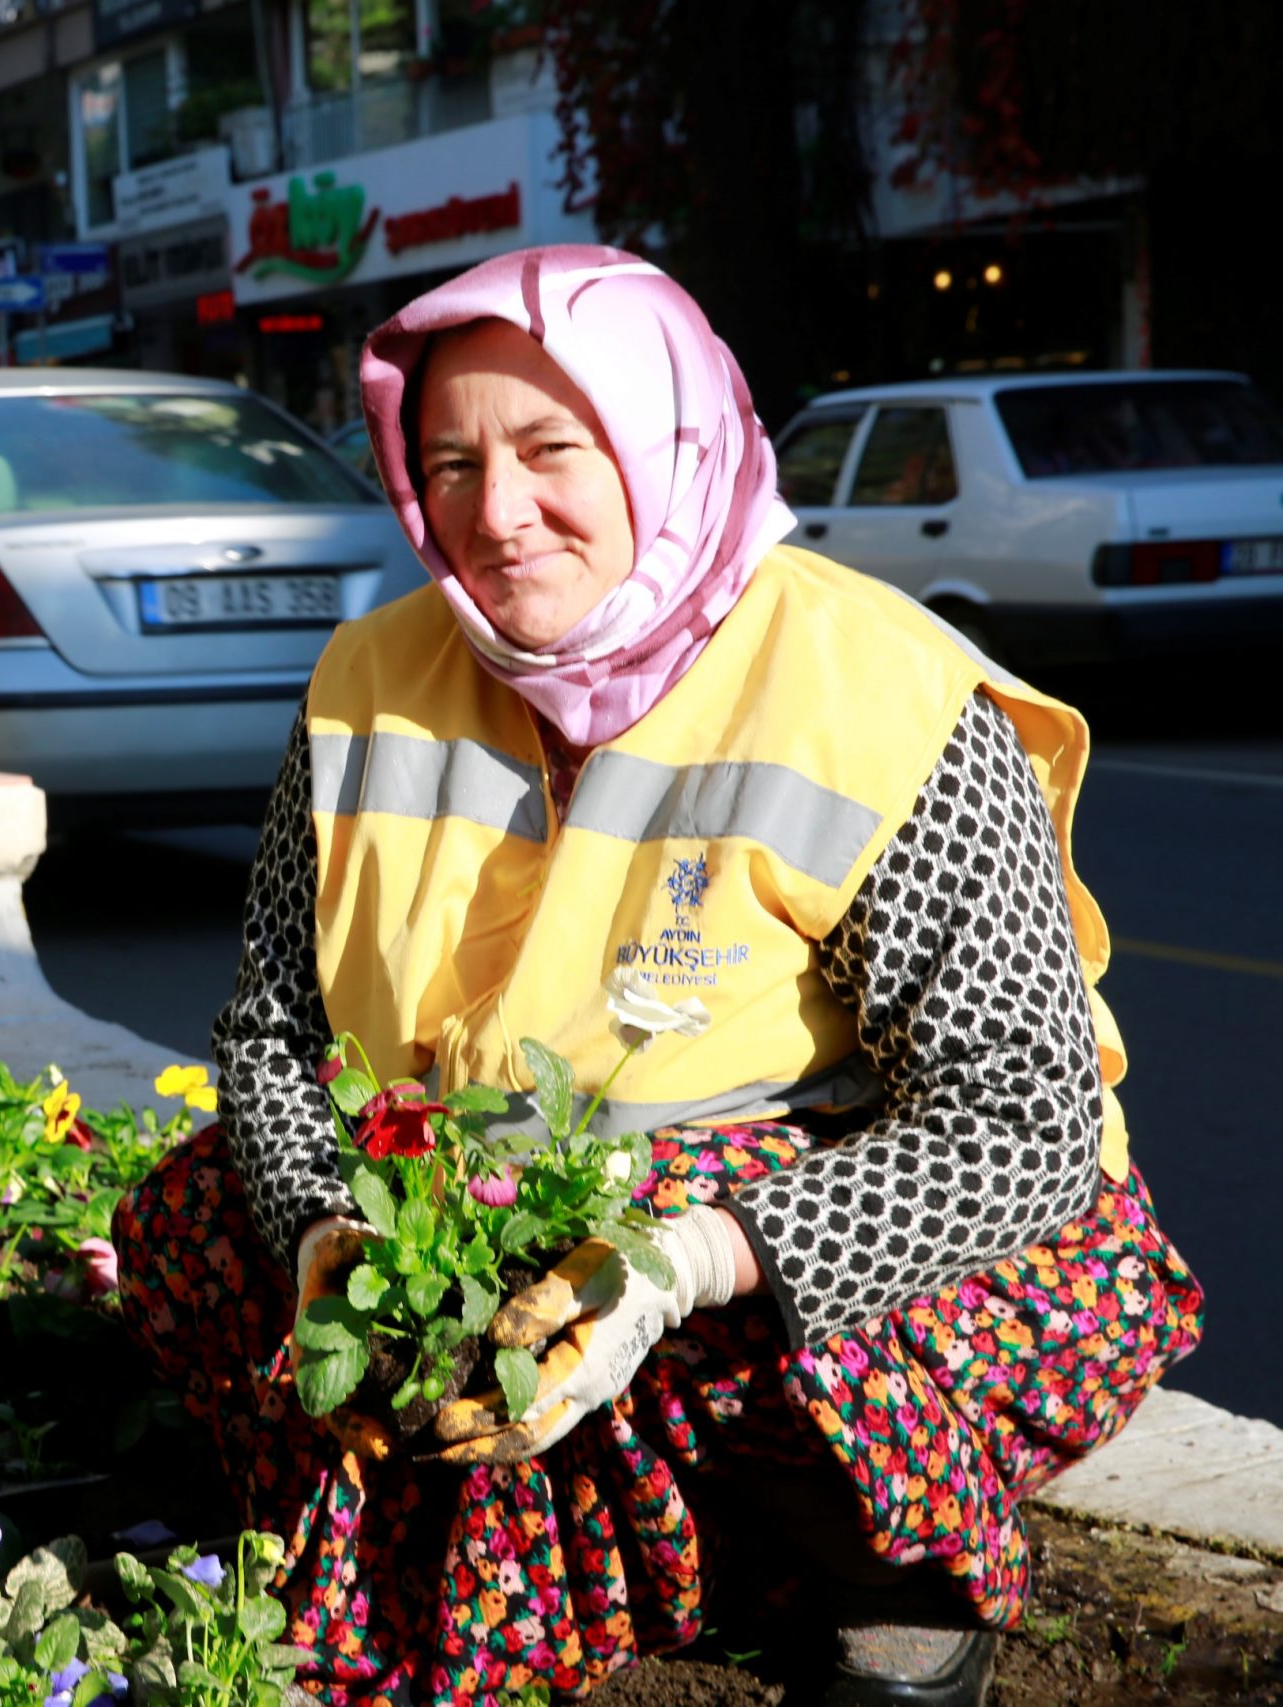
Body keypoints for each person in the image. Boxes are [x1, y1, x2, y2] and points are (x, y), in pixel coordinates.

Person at [113, 248, 1201, 1706]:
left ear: (666, 443)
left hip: (843, 1228)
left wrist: (682, 1261)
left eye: (551, 450)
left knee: (716, 1316)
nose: (496, 514)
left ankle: (897, 1580)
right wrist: (323, 1225)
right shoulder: (364, 679)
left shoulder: (876, 689)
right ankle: (660, 1544)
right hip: (481, 1205)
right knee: (198, 1218)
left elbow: (1023, 1122)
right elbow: (271, 1031)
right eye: (448, 465)